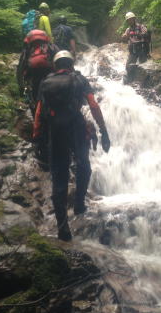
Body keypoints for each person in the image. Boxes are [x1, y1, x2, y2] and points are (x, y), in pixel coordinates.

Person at [33, 50, 111, 241]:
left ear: (55, 65)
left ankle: (63, 228)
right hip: (76, 127)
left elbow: (39, 112)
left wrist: (37, 137)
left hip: (55, 131)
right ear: (71, 63)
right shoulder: (79, 79)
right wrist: (103, 130)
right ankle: (79, 204)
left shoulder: (46, 82)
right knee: (84, 165)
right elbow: (93, 105)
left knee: (59, 177)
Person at [16, 29, 57, 115]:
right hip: (52, 78)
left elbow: (20, 69)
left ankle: (36, 117)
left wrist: (21, 86)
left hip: (34, 80)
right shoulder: (51, 47)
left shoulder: (27, 50)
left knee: (34, 101)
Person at [122, 12, 149, 77]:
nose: (130, 21)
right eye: (128, 20)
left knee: (143, 67)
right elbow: (124, 38)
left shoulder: (141, 26)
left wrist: (137, 34)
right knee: (128, 67)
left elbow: (145, 33)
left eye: (131, 19)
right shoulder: (128, 29)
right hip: (133, 51)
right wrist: (124, 36)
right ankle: (130, 80)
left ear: (134, 19)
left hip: (141, 49)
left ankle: (145, 81)